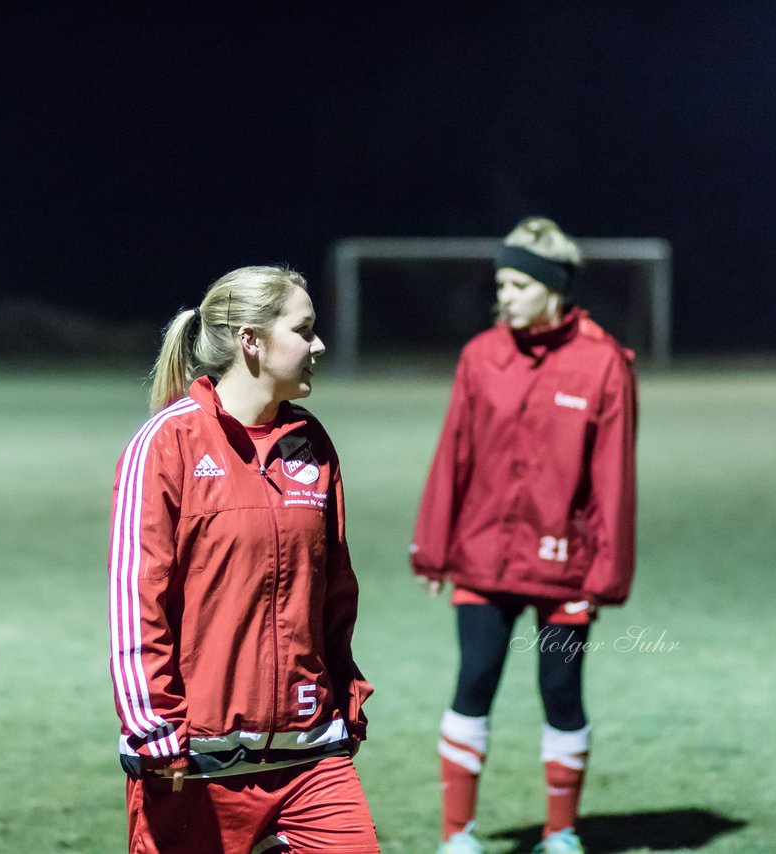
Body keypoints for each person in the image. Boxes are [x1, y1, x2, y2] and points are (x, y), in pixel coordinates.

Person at [108, 266, 379, 854]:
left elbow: (334, 590)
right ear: (252, 341)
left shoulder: (311, 442)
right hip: (193, 760)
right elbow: (138, 599)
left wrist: (344, 692)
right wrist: (154, 728)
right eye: (303, 330)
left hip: (311, 755)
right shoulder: (166, 443)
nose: (319, 346)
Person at [410, 218, 638, 854]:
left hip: (567, 567)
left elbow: (613, 479)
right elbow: (452, 452)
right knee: (474, 680)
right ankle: (458, 835)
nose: (503, 296)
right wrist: (433, 548)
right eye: (500, 284)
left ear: (552, 287)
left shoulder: (604, 364)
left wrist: (605, 575)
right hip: (483, 559)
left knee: (561, 690)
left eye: (516, 284)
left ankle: (561, 835)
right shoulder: (481, 354)